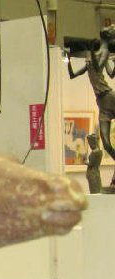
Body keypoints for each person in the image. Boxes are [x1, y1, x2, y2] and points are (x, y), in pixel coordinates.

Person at [66, 25, 115, 186]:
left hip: (109, 97)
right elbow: (73, 75)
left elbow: (99, 67)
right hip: (101, 103)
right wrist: (68, 61)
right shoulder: (92, 56)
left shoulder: (104, 52)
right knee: (106, 143)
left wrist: (92, 52)